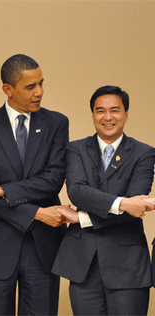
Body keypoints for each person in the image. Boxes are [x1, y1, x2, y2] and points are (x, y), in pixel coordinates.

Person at [0, 54, 71, 315]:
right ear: (7, 90)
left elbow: (52, 181)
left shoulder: (57, 123)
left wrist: (3, 189)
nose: (39, 92)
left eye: (41, 84)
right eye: (31, 87)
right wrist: (36, 213)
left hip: (43, 246)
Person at [51, 85, 155, 315]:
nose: (107, 117)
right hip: (83, 264)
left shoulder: (144, 153)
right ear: (93, 115)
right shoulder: (75, 149)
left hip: (128, 267)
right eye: (100, 111)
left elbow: (134, 210)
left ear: (126, 115)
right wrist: (123, 203)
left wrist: (82, 218)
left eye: (115, 110)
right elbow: (77, 192)